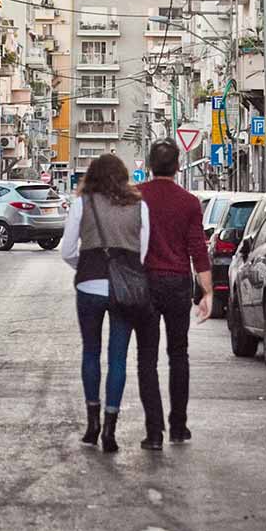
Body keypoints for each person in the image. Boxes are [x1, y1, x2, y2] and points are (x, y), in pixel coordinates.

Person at [61, 154, 150, 454]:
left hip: (89, 284)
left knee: (90, 352)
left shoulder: (81, 203)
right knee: (118, 358)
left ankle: (92, 424)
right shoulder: (140, 205)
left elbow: (67, 250)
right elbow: (144, 252)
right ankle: (111, 429)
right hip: (124, 289)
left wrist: (85, 266)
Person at [135, 138, 212, 450]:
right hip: (179, 283)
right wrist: (207, 292)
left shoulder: (136, 198)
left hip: (146, 283)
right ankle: (178, 427)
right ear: (178, 167)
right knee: (178, 355)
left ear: (151, 166)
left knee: (146, 359)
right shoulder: (190, 202)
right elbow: (198, 249)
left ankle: (154, 433)